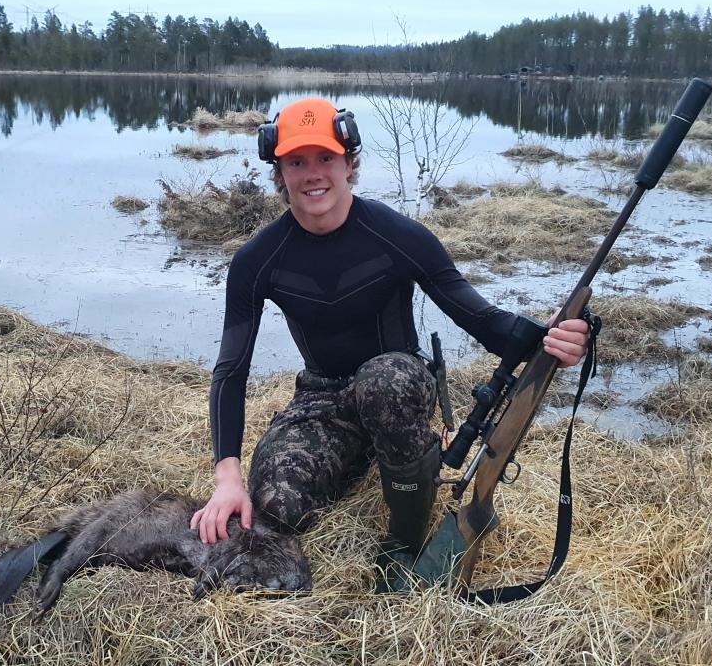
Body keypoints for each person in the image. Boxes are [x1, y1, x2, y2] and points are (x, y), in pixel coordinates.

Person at [190, 97, 590, 568]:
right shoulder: (257, 261)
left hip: (398, 383)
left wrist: (552, 338)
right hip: (322, 396)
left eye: (325, 158)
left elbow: (482, 321)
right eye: (296, 162)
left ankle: (405, 536)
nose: (313, 174)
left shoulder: (397, 235)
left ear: (349, 162)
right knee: (277, 505)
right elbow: (231, 370)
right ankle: (362, 457)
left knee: (384, 381)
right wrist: (228, 477)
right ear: (279, 172)